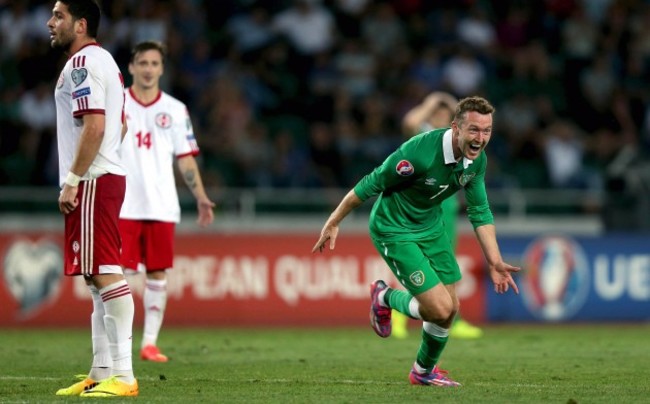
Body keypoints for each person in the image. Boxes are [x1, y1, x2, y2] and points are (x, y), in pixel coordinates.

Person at [312, 96, 520, 387]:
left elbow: (479, 210)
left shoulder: (477, 161)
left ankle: (423, 372)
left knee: (451, 308)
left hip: (431, 226)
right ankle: (384, 297)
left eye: (486, 131)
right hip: (394, 227)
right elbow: (371, 182)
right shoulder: (419, 153)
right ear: (456, 128)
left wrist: (495, 260)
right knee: (438, 309)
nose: (481, 138)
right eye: (474, 130)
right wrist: (334, 220)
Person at [48, 0, 138, 397]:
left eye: (59, 16)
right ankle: (101, 371)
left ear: (81, 24)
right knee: (94, 276)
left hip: (93, 181)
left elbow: (96, 126)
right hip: (101, 176)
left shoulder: (83, 64)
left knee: (104, 271)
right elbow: (119, 121)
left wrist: (72, 179)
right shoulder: (106, 63)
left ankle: (125, 375)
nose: (50, 23)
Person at [119, 40, 215, 362]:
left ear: (162, 69)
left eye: (154, 64)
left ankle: (149, 344)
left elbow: (186, 160)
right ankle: (117, 344)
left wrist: (200, 197)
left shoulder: (175, 110)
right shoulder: (116, 104)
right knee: (116, 276)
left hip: (161, 205)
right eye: (142, 63)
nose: (148, 69)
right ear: (131, 67)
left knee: (157, 273)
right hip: (122, 205)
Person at [392, 91, 484, 340]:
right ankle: (399, 315)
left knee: (445, 264)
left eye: (447, 113)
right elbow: (408, 123)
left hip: (447, 210)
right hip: (421, 208)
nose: (442, 115)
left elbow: (468, 120)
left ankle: (454, 318)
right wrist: (431, 101)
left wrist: (450, 103)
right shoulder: (422, 136)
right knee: (415, 261)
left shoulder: (456, 140)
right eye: (438, 113)